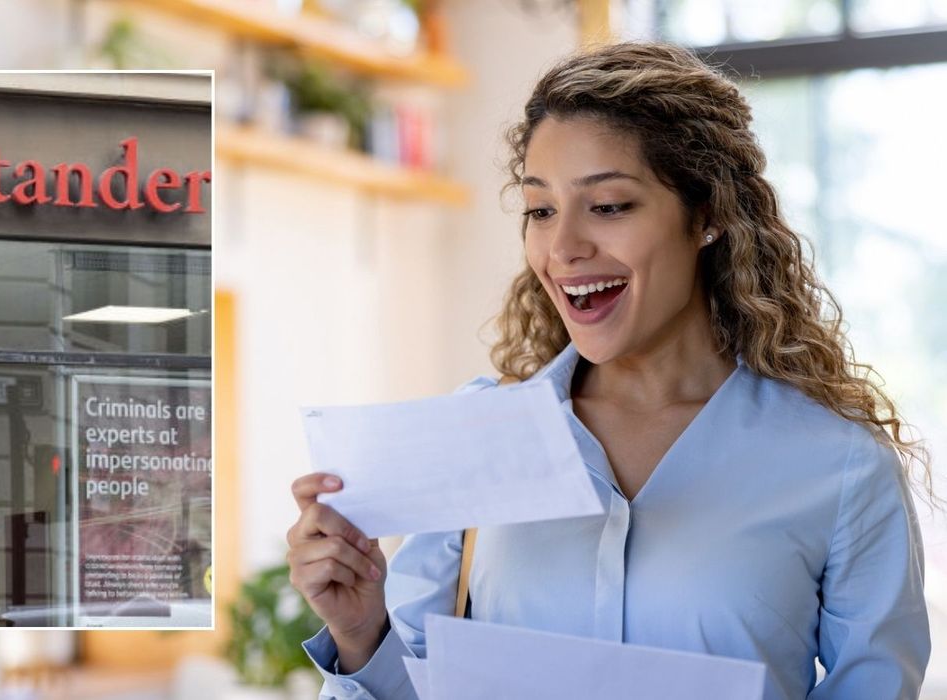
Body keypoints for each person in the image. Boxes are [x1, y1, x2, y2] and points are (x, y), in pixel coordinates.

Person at [286, 42, 931, 700]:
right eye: (540, 210)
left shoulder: (839, 466)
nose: (563, 247)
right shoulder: (478, 434)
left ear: (705, 214)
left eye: (609, 206)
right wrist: (362, 634)